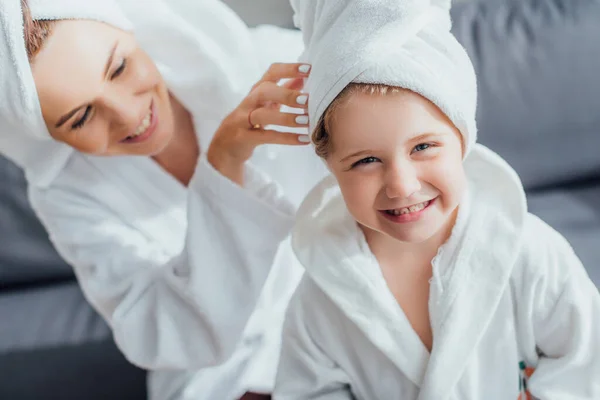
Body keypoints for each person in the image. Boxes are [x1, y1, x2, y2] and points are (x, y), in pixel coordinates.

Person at [0, 0, 327, 399]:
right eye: (81, 117)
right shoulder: (64, 193)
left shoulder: (272, 68)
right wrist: (223, 168)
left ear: (129, 28)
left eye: (119, 68)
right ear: (49, 134)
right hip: (217, 375)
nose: (127, 114)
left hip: (338, 321)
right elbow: (168, 335)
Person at [273, 0, 600, 399]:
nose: (402, 185)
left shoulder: (530, 255)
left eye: (423, 147)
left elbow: (584, 362)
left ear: (463, 138)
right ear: (330, 166)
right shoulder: (321, 299)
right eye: (366, 160)